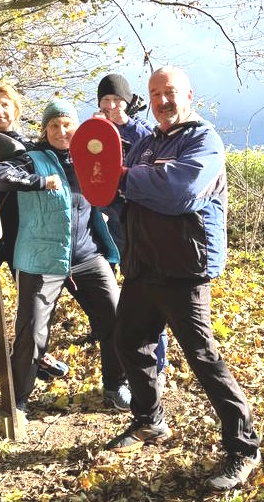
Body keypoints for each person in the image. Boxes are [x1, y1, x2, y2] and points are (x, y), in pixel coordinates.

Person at [105, 66, 260, 491]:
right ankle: (150, 421)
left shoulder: (202, 140)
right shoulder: (148, 142)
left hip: (183, 269)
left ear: (189, 95)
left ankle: (245, 448)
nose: (162, 100)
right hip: (143, 267)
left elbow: (180, 192)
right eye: (155, 94)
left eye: (170, 92)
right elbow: (118, 191)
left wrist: (125, 178)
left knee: (203, 360)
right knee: (129, 343)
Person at [0, 99, 132, 413]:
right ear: (45, 130)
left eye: (66, 124)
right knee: (32, 333)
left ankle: (114, 385)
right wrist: (38, 182)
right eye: (53, 125)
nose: (61, 130)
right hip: (41, 260)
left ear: (76, 128)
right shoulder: (32, 159)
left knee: (116, 319)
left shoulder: (85, 160)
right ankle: (19, 401)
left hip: (88, 256)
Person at [0, 85, 68, 416]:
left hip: (22, 236)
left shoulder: (30, 148)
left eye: (6, 105)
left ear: (16, 110)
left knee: (33, 304)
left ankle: (37, 356)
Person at [95, 74, 170, 387]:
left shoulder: (142, 132)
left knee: (148, 292)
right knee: (112, 292)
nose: (112, 106)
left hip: (137, 223)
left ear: (126, 102)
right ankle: (118, 348)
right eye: (106, 101)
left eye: (117, 100)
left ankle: (159, 364)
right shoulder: (94, 131)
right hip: (105, 221)